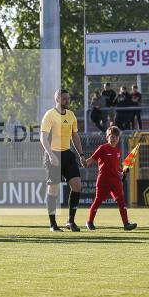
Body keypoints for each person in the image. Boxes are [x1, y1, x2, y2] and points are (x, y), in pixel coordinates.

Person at [41, 89, 85, 232]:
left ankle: (70, 221)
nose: (68, 100)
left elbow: (75, 136)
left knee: (77, 185)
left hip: (67, 154)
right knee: (53, 189)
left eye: (68, 98)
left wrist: (81, 154)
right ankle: (53, 224)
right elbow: (43, 138)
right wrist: (51, 155)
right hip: (53, 154)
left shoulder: (71, 115)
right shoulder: (50, 115)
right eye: (65, 98)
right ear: (58, 99)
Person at [84, 126, 136, 231]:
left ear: (118, 138)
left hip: (115, 180)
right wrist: (85, 162)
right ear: (107, 137)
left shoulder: (118, 151)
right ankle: (89, 222)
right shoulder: (102, 148)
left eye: (116, 137)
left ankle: (126, 224)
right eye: (111, 136)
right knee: (98, 200)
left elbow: (116, 166)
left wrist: (122, 170)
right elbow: (92, 159)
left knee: (121, 200)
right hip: (103, 180)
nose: (113, 139)